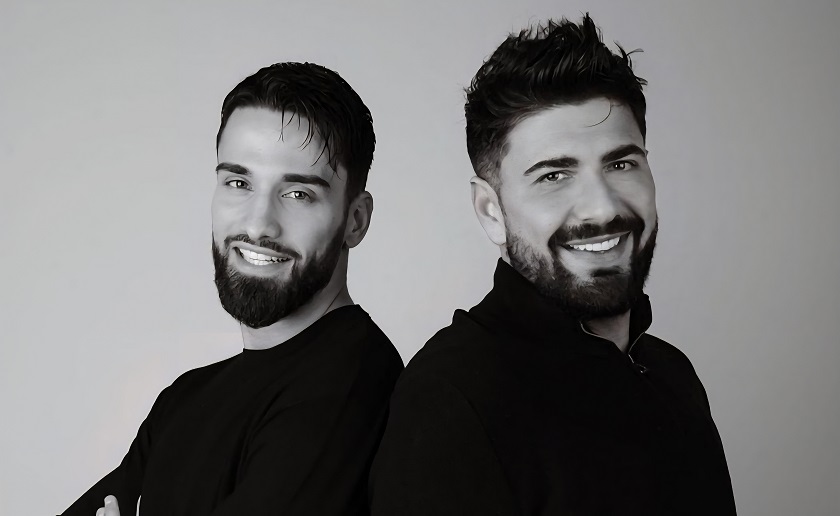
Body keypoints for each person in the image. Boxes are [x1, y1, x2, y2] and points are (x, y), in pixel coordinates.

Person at [369, 14, 736, 515]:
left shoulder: (672, 374)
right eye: (554, 176)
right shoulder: (451, 401)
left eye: (621, 164)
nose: (601, 208)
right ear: (491, 211)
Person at [61, 62, 403, 516]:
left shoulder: (354, 383)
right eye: (239, 183)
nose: (258, 224)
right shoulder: (184, 400)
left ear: (355, 221)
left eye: (298, 194)